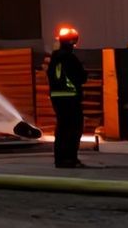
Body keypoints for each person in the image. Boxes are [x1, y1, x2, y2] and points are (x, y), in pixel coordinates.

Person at [48, 25, 88, 169]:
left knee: (62, 129)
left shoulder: (54, 59)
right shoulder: (71, 59)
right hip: (71, 98)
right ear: (73, 42)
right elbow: (82, 77)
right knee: (74, 129)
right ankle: (71, 159)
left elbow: (50, 77)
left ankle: (60, 159)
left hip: (57, 98)